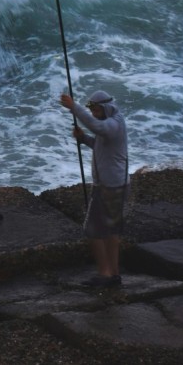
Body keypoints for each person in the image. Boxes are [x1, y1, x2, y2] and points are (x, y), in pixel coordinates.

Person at [59, 89, 129, 288]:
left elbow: (98, 127)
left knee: (93, 230)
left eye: (96, 109)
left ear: (106, 107)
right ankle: (113, 274)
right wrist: (83, 139)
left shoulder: (114, 123)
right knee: (110, 231)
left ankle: (106, 274)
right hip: (113, 184)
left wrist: (74, 107)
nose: (93, 113)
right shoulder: (111, 125)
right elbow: (100, 143)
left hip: (110, 187)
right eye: (92, 109)